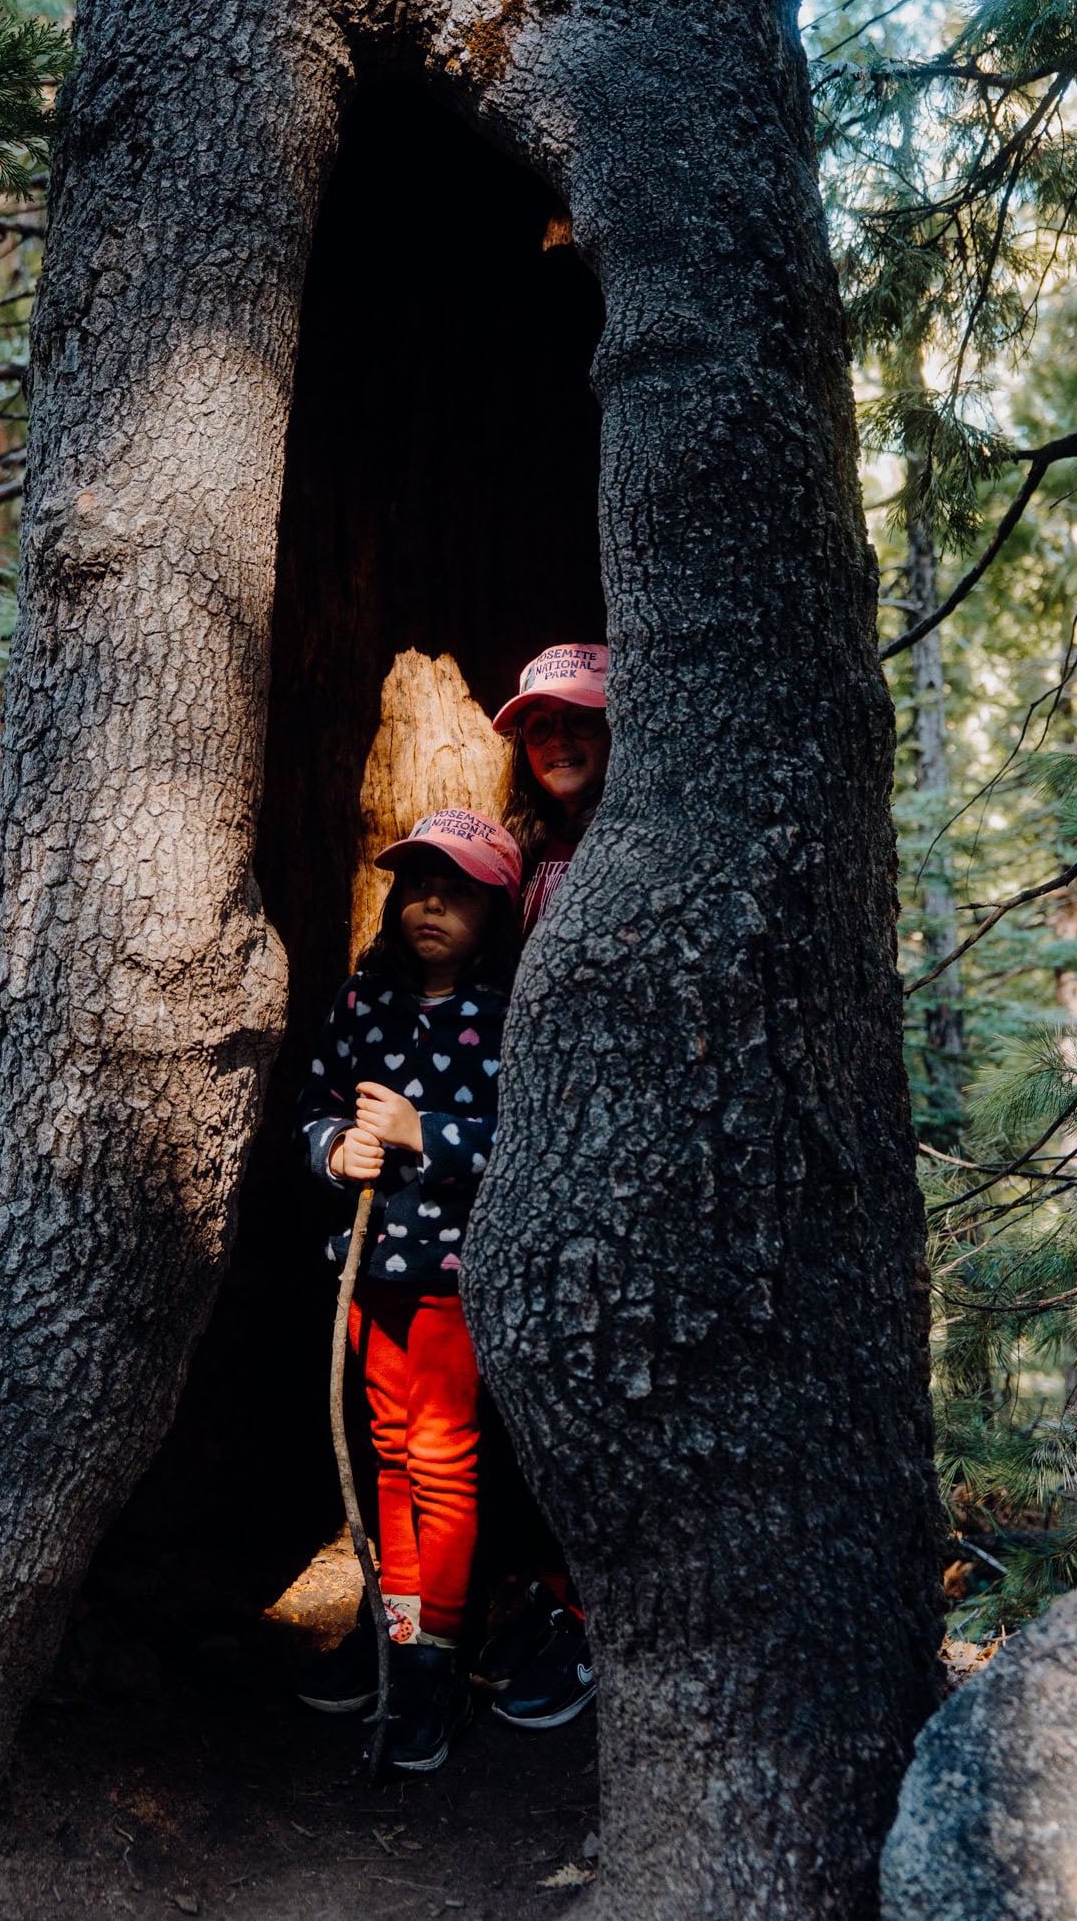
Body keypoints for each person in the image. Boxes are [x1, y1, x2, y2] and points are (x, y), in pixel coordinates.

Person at [295, 808, 522, 1773]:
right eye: (417, 887)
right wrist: (334, 1151)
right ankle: (391, 1629)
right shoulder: (365, 1002)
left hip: (451, 1276)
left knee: (441, 1459)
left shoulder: (510, 1009)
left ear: (495, 911)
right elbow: (315, 1103)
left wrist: (425, 1134)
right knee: (390, 1450)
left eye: (457, 891)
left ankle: (435, 1653)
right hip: (365, 1267)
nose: (431, 905)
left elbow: (536, 1133)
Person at [474, 641, 611, 1732]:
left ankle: (589, 1617)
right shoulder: (525, 853)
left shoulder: (633, 843)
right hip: (526, 1149)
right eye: (539, 725)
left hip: (615, 1158)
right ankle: (540, 1596)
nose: (557, 739)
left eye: (579, 719)